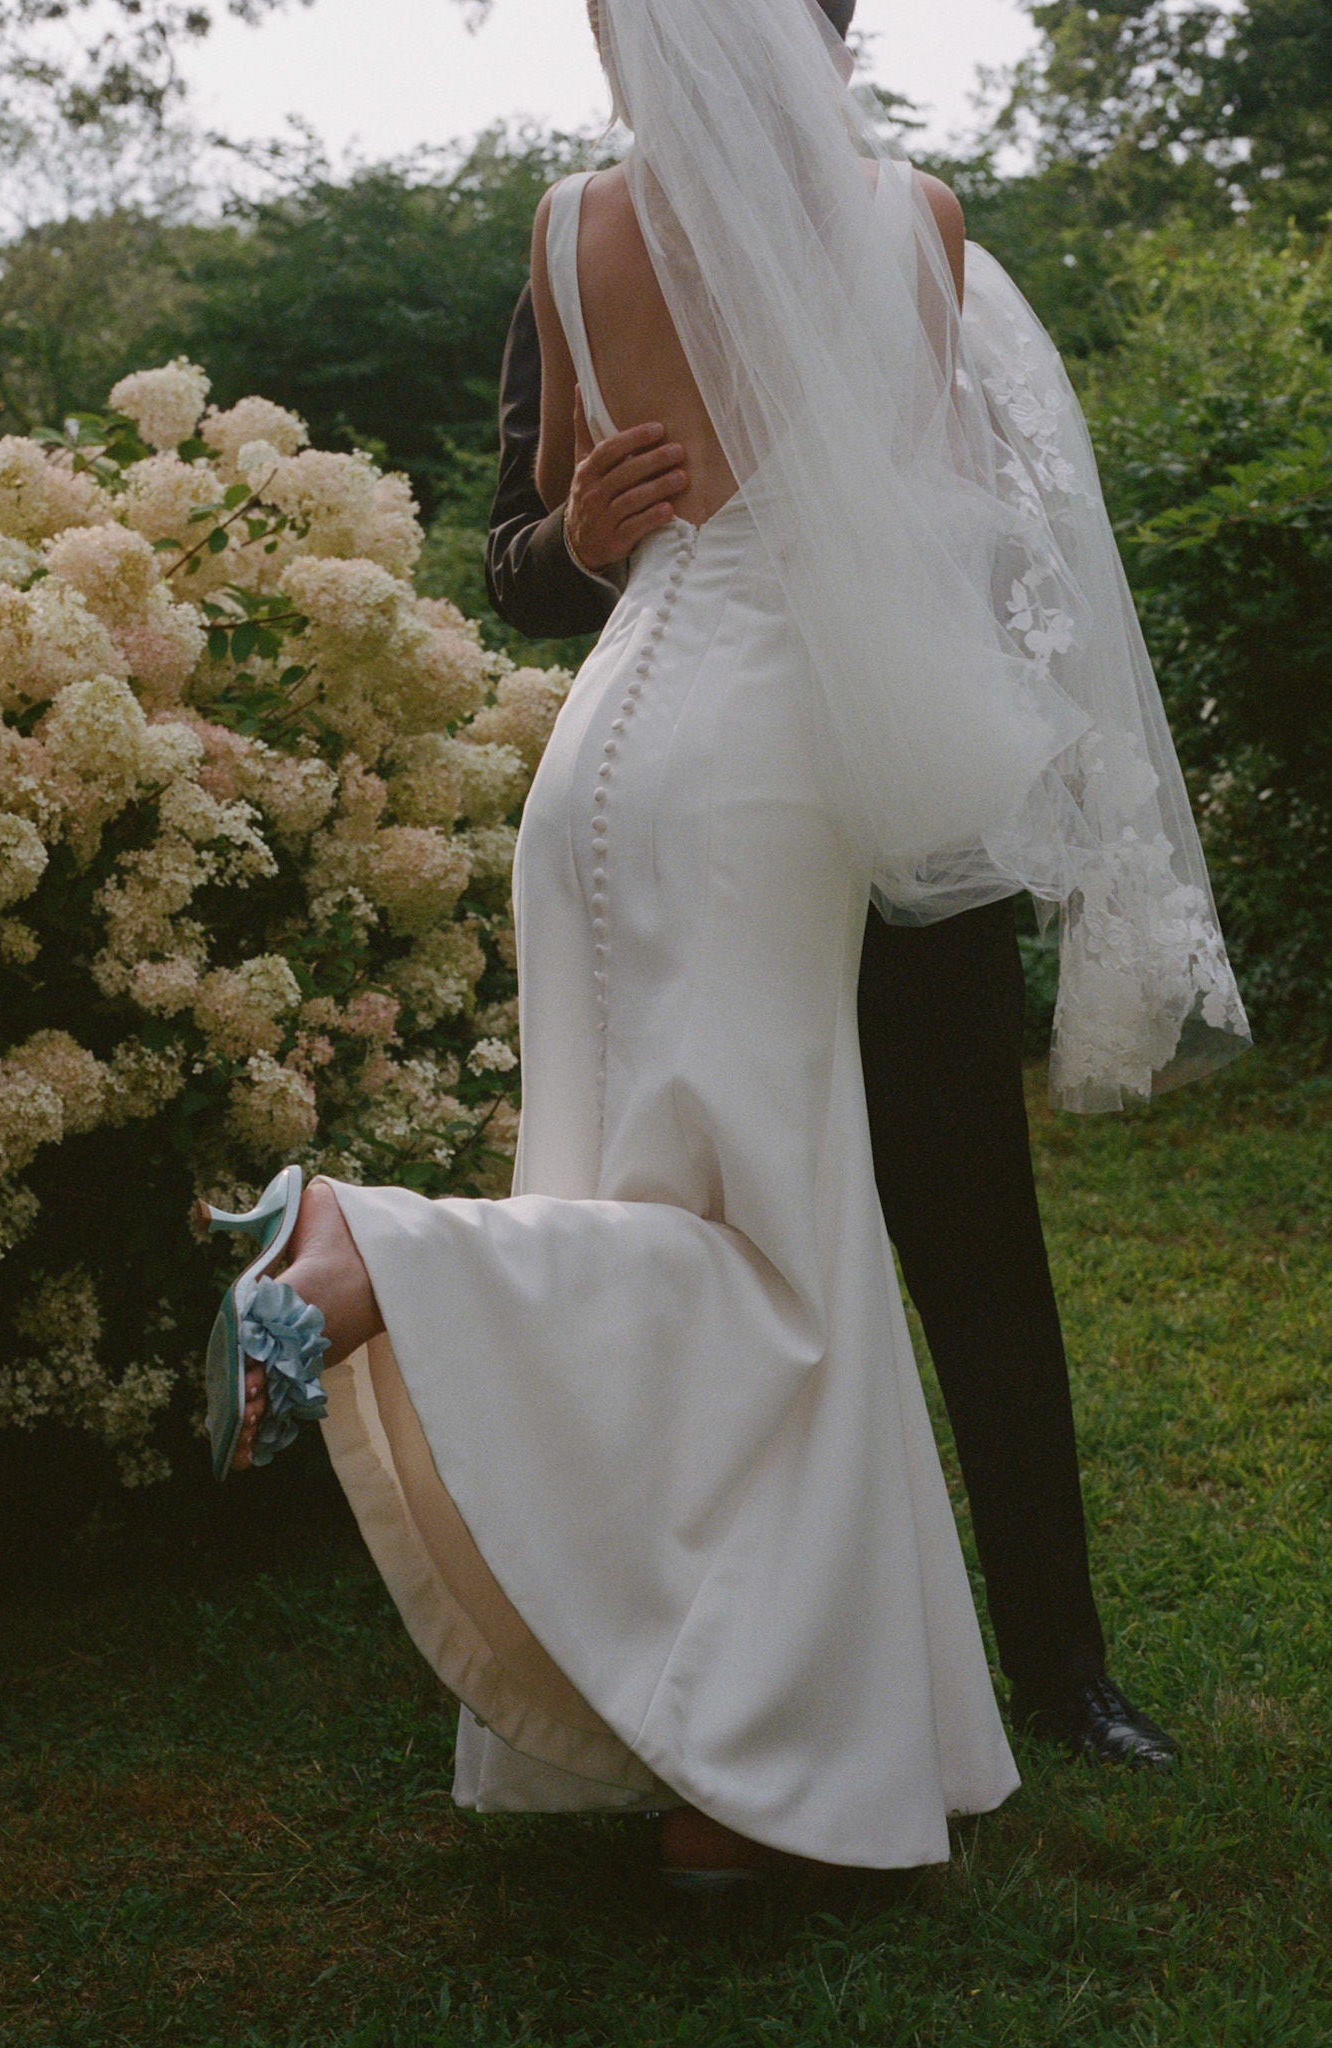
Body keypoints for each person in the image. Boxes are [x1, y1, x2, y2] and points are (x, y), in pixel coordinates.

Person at [203, 0, 1248, 1886]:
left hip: (656, 777)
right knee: (771, 1266)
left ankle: (1014, 1677)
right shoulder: (888, 224)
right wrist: (572, 531)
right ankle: (691, 1671)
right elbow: (558, 551)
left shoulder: (578, 220)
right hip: (804, 778)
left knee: (919, 1239)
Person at [483, 0, 1181, 1773]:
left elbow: (962, 522)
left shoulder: (898, 225)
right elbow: (517, 559)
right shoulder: (581, 235)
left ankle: (1064, 1671)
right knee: (697, 1230)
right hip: (712, 795)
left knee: (974, 1242)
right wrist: (574, 537)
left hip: (888, 803)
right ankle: (695, 1656)